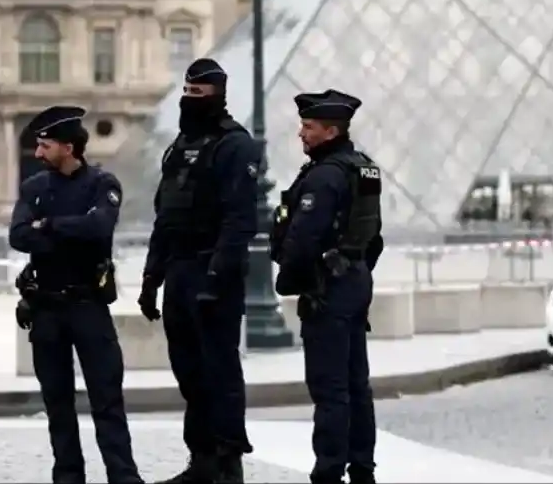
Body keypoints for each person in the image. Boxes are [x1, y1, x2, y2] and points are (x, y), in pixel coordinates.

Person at [138, 58, 259, 484]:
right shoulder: (178, 147)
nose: (189, 101)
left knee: (219, 371)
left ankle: (228, 464)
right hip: (179, 270)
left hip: (214, 272)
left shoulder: (235, 145)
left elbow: (239, 220)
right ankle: (202, 460)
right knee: (188, 371)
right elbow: (165, 215)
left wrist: (216, 278)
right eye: (185, 93)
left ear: (217, 96)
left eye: (198, 95)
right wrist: (151, 278)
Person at [9, 105, 142, 484]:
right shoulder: (34, 187)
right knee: (57, 403)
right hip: (46, 308)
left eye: (45, 145)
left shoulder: (103, 184)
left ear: (68, 147)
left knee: (107, 400)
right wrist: (70, 229)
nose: (37, 153)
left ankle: (123, 476)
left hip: (88, 306)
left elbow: (100, 227)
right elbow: (18, 236)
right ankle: (68, 477)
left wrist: (47, 226)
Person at [270, 89, 384, 484]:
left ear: (331, 130)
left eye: (308, 126)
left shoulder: (324, 176)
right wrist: (355, 270)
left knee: (329, 386)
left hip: (328, 289)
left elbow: (303, 239)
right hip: (354, 283)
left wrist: (290, 281)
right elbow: (375, 237)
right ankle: (363, 467)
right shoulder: (364, 168)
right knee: (357, 384)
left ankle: (329, 470)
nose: (301, 133)